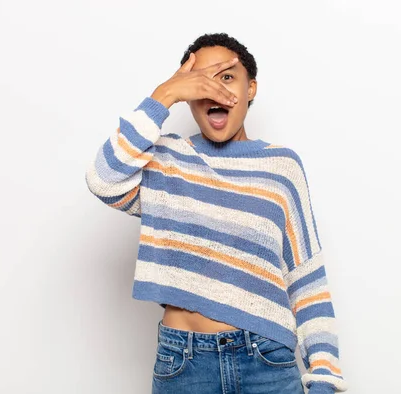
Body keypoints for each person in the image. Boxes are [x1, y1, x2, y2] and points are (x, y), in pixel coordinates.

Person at [85, 32, 348, 394]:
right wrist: (164, 94)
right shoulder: (165, 160)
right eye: (201, 81)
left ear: (250, 89)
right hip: (184, 364)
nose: (215, 91)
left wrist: (324, 376)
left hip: (267, 362)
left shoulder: (280, 167)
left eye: (227, 77)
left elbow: (306, 279)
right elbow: (103, 179)